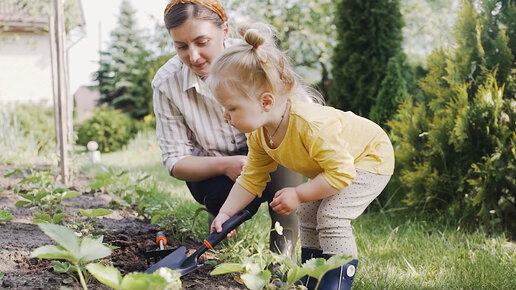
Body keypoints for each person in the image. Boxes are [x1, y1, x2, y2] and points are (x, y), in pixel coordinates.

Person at [207, 24, 395, 289]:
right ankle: (311, 277)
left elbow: (341, 173)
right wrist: (226, 212)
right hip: (338, 167)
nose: (226, 115)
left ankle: (337, 281)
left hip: (369, 157)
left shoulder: (309, 125)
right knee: (307, 212)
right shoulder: (260, 134)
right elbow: (251, 178)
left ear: (266, 102)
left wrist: (298, 194)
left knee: (332, 215)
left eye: (231, 108)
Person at [152, 0, 303, 260]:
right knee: (220, 195)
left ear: (225, 31)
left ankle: (282, 257)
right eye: (181, 46)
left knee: (286, 170)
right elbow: (175, 161)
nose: (193, 56)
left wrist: (260, 158)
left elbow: (292, 121)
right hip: (215, 171)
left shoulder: (255, 58)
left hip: (270, 153)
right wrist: (226, 165)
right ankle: (221, 240)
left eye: (202, 42)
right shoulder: (167, 83)